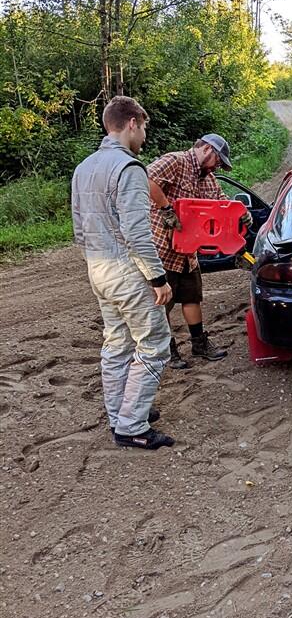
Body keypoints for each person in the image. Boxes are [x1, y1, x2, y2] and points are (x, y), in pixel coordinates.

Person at [71, 96, 175, 450]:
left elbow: (79, 229)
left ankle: (121, 412)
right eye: (143, 127)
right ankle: (132, 425)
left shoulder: (84, 167)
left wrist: (95, 262)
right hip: (127, 271)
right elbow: (137, 233)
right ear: (132, 123)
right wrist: (158, 278)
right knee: (155, 344)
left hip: (97, 268)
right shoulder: (129, 169)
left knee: (116, 343)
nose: (144, 135)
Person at [147, 133, 252, 369]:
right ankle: (167, 350)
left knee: (192, 297)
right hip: (162, 250)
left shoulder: (208, 178)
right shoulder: (175, 161)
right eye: (218, 161)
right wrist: (166, 208)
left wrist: (240, 213)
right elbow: (147, 179)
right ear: (207, 150)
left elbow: (222, 203)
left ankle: (199, 344)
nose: (218, 166)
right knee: (162, 303)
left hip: (188, 253)